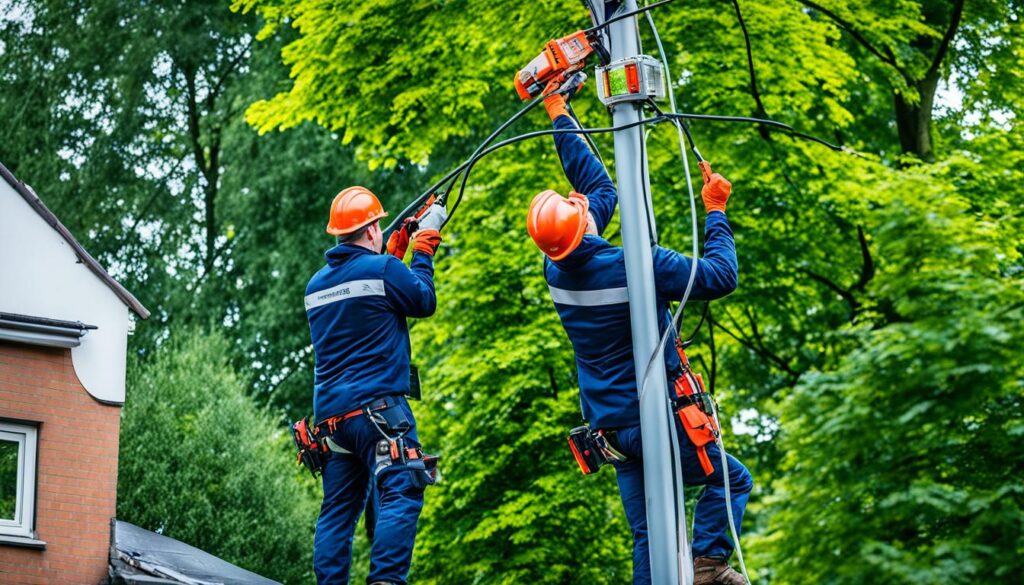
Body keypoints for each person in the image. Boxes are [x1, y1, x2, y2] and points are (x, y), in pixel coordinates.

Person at [526, 80, 752, 585]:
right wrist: (715, 211)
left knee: (650, 534)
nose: (587, 206)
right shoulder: (638, 265)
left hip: (613, 430)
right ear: (583, 228)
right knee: (733, 480)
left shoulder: (556, 269)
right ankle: (710, 566)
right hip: (655, 420)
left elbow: (600, 189)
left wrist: (560, 111)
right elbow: (720, 276)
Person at [305, 186, 446, 585]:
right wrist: (423, 248)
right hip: (378, 414)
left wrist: (393, 256)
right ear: (370, 231)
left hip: (332, 422)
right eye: (379, 227)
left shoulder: (315, 287)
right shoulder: (383, 271)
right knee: (403, 486)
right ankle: (385, 581)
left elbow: (367, 304)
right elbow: (421, 301)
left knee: (338, 509)